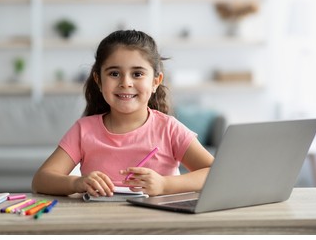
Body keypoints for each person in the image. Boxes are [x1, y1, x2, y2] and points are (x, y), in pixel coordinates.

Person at [32, 30, 214, 197]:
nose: (125, 83)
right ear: (98, 80)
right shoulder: (84, 130)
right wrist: (77, 182)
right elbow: (41, 180)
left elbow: (215, 173)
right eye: (114, 74)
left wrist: (165, 184)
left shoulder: (169, 128)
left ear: (155, 81)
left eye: (137, 74)